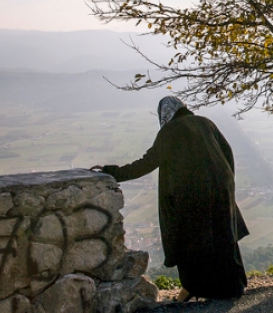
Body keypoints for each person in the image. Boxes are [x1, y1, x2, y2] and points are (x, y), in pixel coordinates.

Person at [92, 96, 249, 301]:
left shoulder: (170, 131)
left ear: (165, 114)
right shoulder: (205, 122)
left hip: (190, 193)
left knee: (191, 240)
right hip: (221, 187)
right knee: (223, 235)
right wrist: (226, 181)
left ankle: (196, 287)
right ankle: (232, 286)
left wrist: (112, 172)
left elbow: (147, 162)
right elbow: (227, 152)